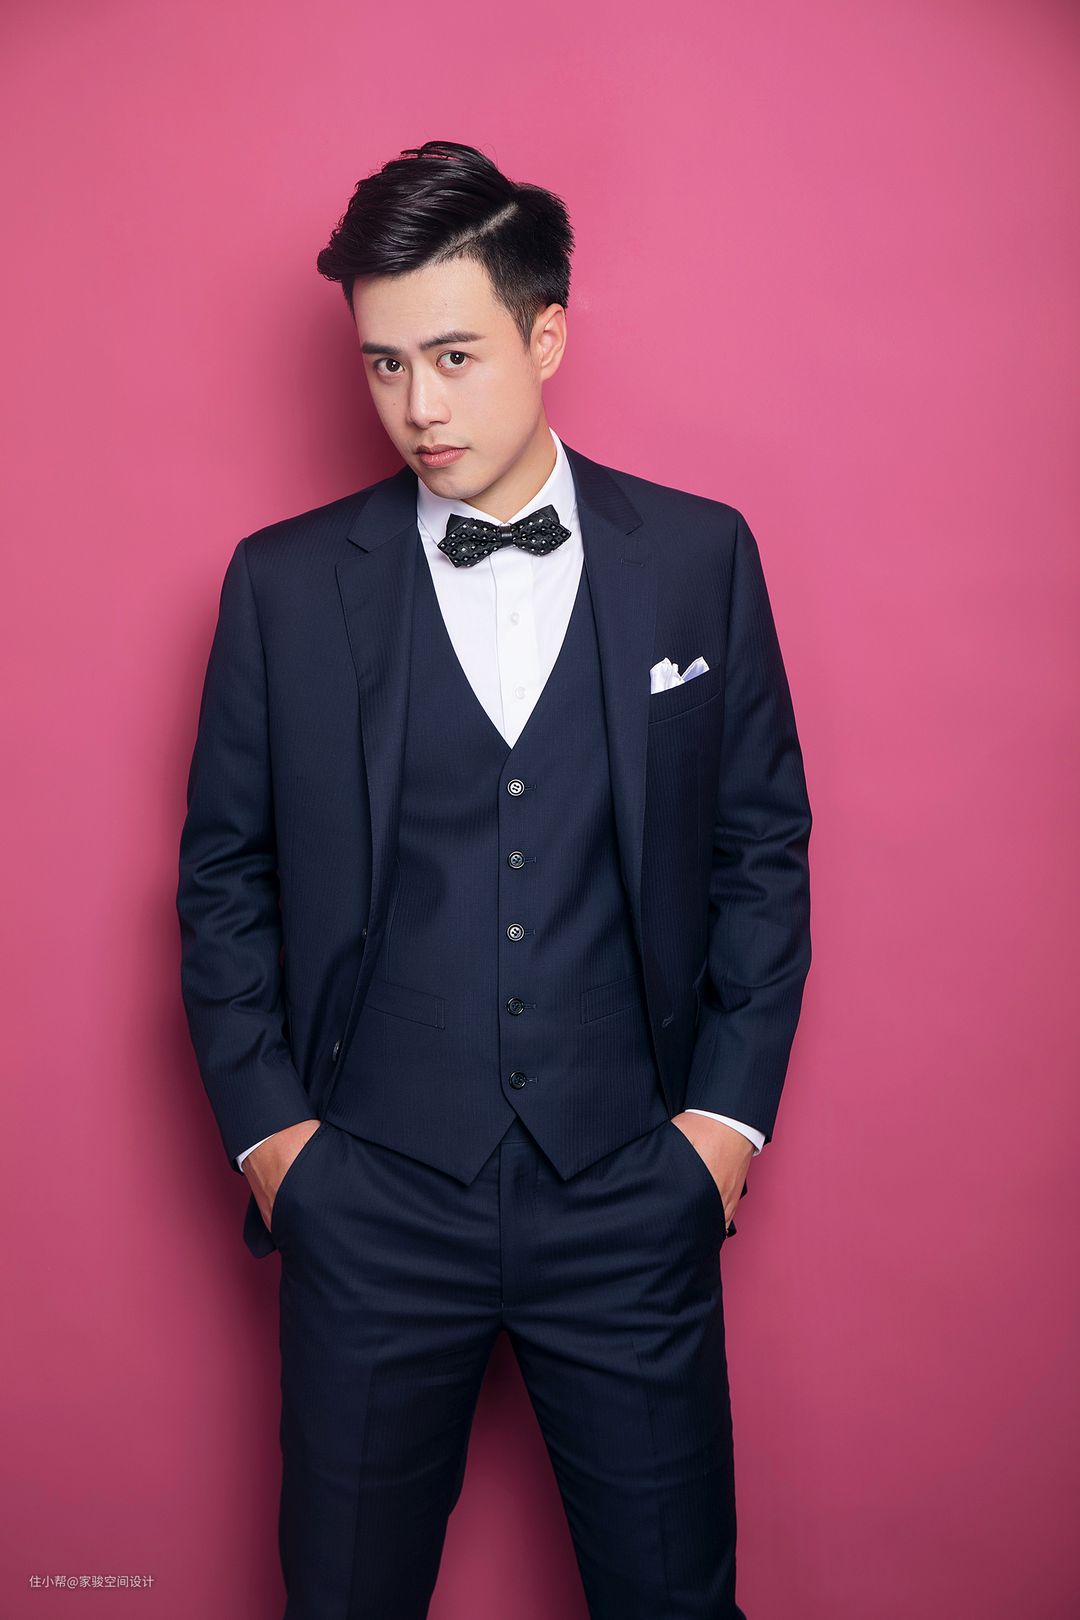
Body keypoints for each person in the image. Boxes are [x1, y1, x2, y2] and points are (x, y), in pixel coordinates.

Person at [176, 137, 812, 1620]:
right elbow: (223, 883)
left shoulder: (699, 561)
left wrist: (718, 1136)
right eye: (385, 364)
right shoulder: (281, 588)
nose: (419, 407)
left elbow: (760, 851)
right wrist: (280, 1147)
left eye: (453, 357)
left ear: (547, 337)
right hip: (371, 1202)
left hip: (631, 1191)